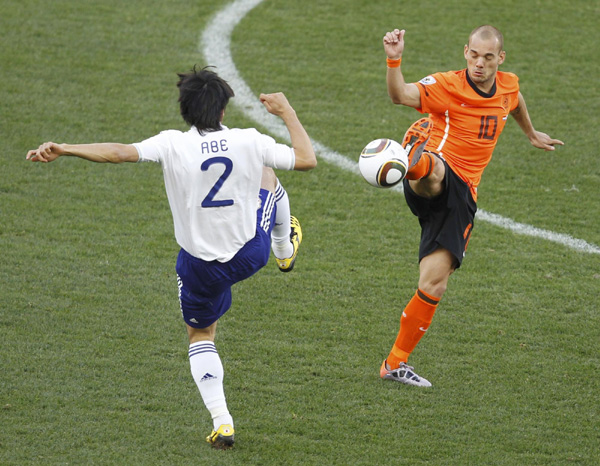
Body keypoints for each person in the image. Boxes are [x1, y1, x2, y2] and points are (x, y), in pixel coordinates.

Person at [26, 66, 317, 448]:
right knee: (269, 178)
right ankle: (284, 248)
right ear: (223, 110)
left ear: (184, 110)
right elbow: (307, 159)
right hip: (249, 253)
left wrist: (65, 148)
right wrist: (287, 112)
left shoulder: (171, 144)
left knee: (201, 335)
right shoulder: (249, 140)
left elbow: (117, 153)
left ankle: (223, 422)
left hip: (198, 268)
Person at [379, 26, 563, 387]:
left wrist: (531, 132)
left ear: (500, 59)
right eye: (474, 55)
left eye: (488, 57)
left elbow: (515, 100)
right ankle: (410, 161)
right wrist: (394, 57)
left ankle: (394, 363)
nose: (479, 63)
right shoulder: (446, 85)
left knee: (434, 284)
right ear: (466, 52)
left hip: (462, 198)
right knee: (434, 172)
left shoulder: (507, 85)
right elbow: (399, 94)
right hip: (440, 173)